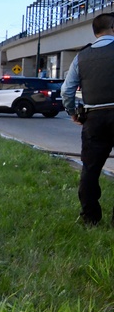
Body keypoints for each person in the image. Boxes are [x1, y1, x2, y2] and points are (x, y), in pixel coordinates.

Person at [60, 12, 114, 227]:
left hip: (94, 118)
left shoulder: (82, 56)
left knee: (90, 170)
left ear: (95, 32)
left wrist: (72, 112)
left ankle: (91, 217)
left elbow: (67, 90)